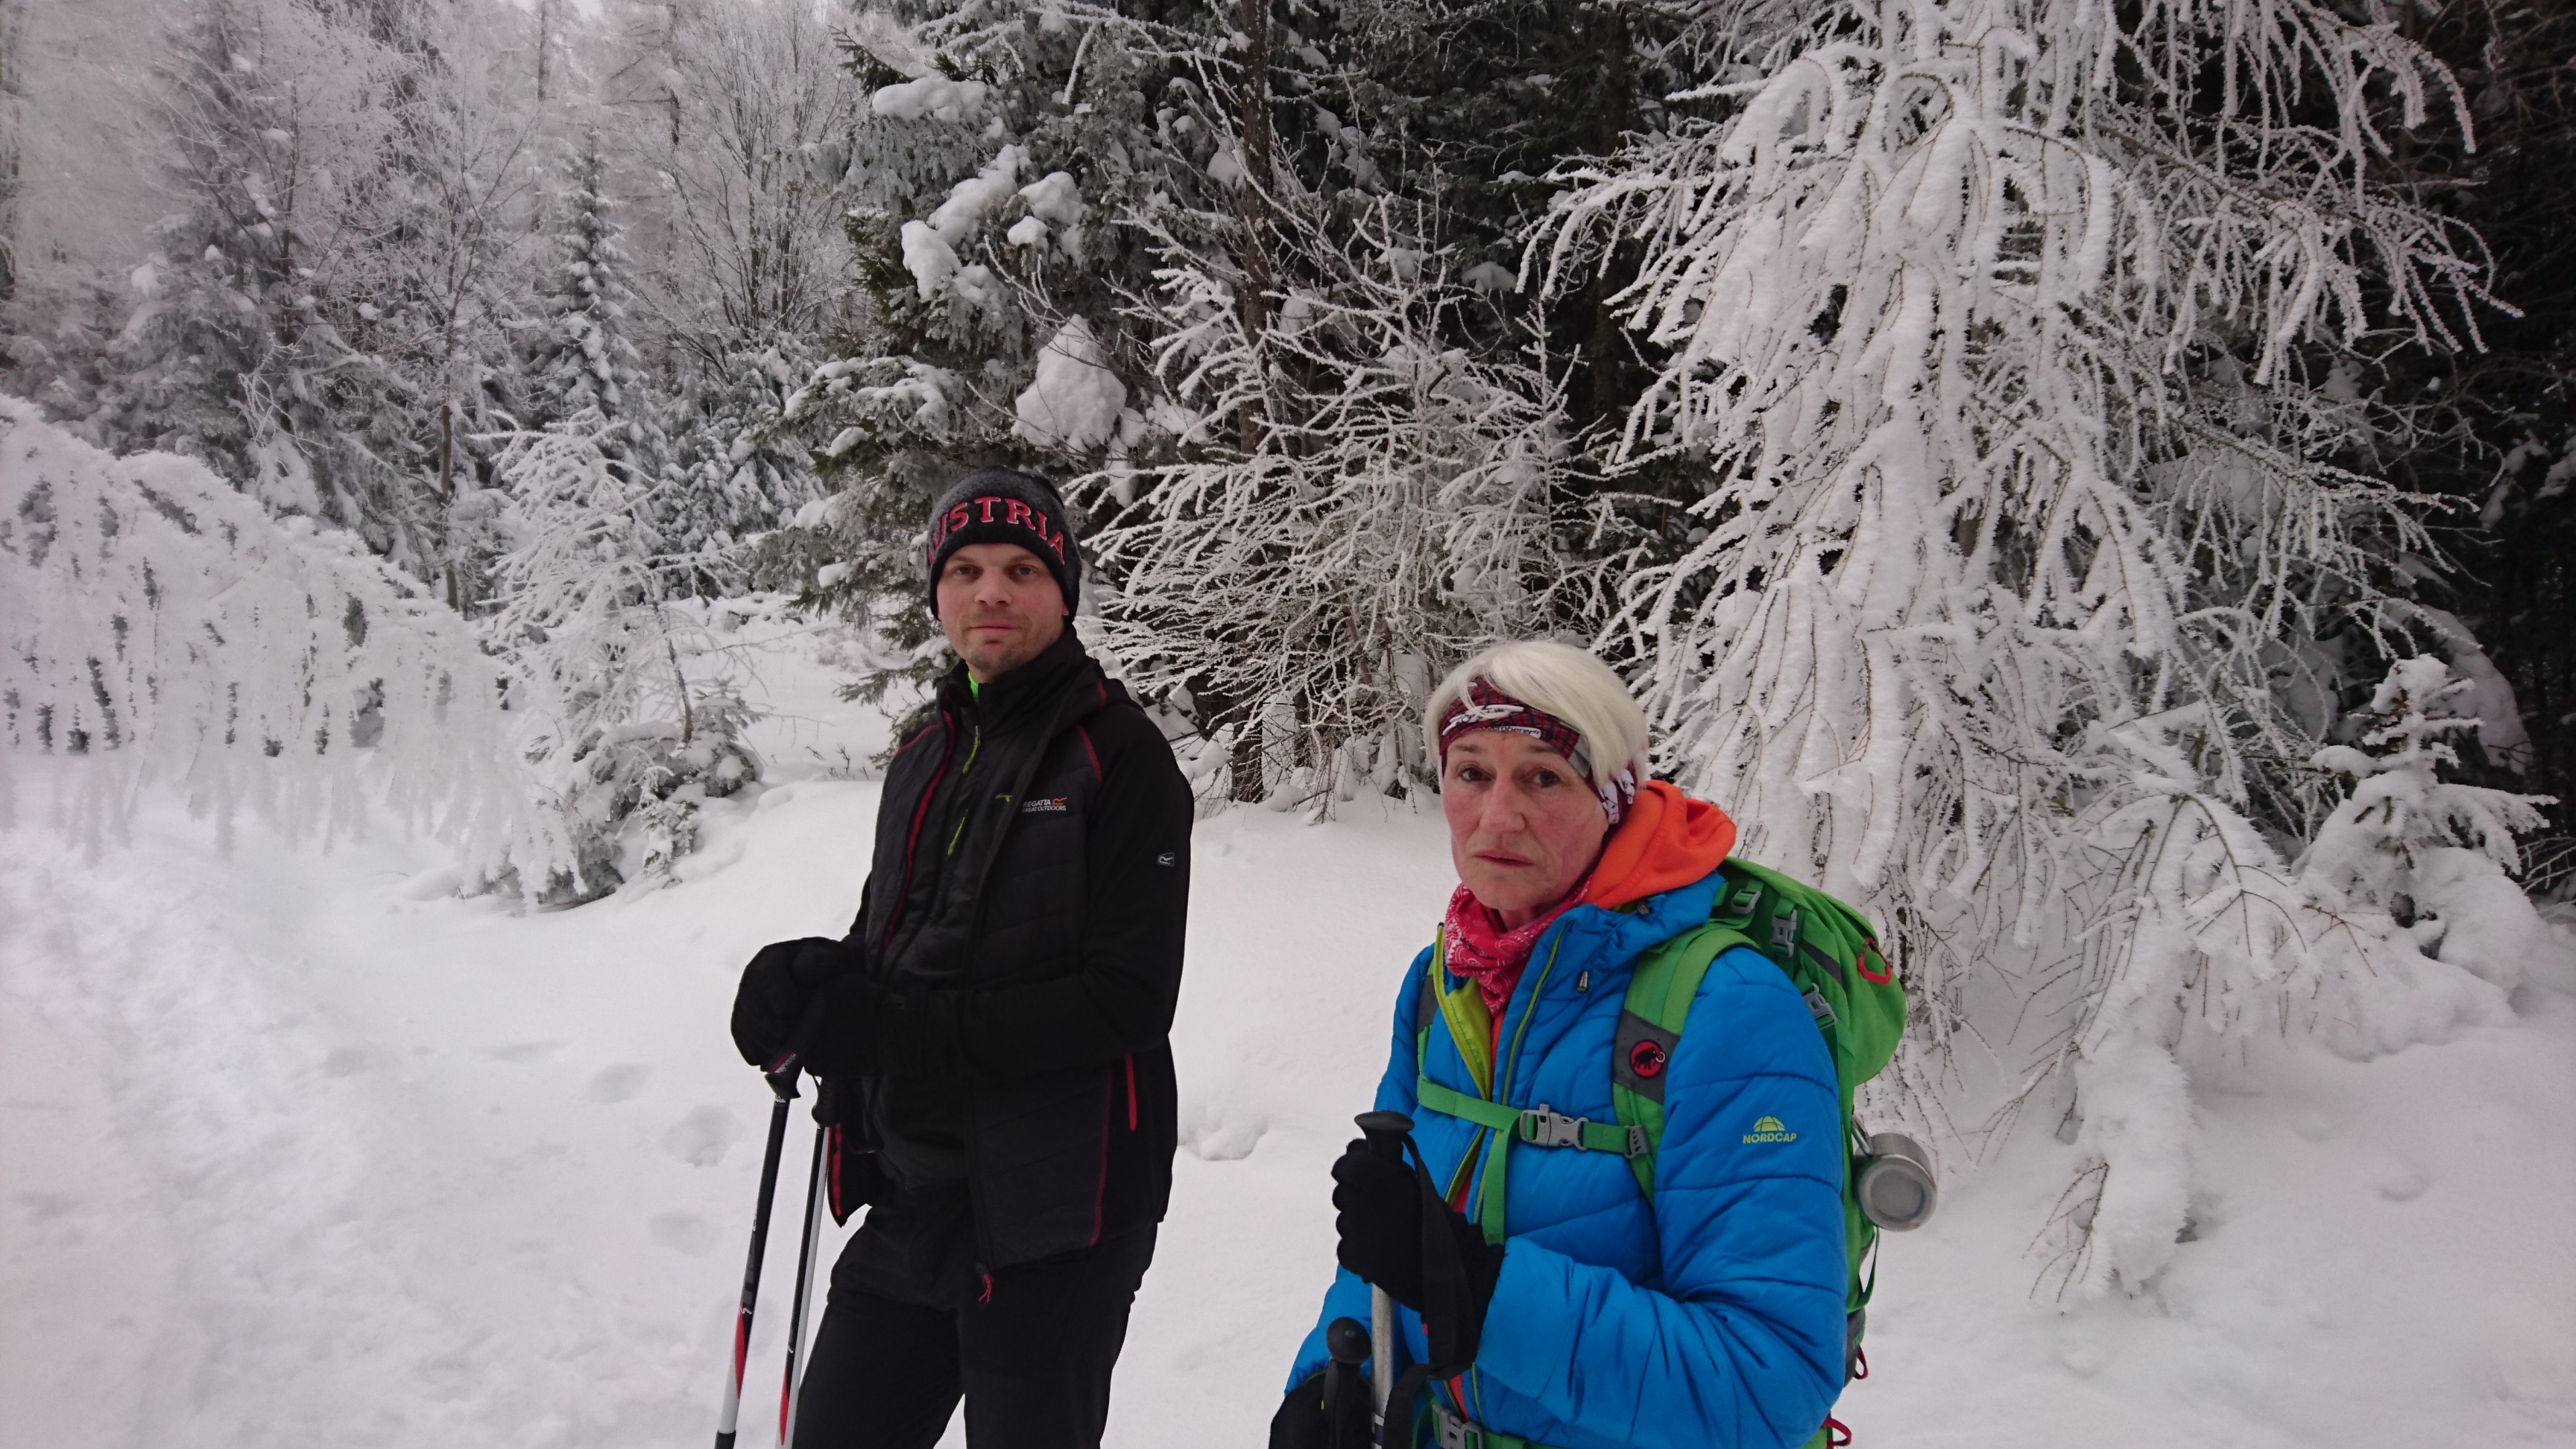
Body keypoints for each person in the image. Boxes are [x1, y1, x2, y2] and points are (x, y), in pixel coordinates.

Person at [1271, 641, 1848, 1449]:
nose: (1498, 816)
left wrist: (1482, 1294)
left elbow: (1771, 1381)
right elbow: (1393, 1241)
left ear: (1613, 798)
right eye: (1472, 773)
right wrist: (1336, 1374)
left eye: (1544, 777)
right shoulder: (1444, 982)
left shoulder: (1726, 1010)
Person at [729, 467, 1194, 1449]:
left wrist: (892, 1032)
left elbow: (1127, 1001)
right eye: (967, 569)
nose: (992, 592)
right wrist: (808, 988)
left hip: (1059, 1215)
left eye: (1023, 569)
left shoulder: (1119, 756)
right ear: (937, 592)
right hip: (915, 1195)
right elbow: (891, 949)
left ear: (1063, 593)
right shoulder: (924, 755)